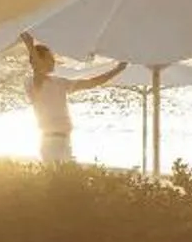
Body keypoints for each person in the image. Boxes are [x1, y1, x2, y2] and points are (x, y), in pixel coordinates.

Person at [21, 33, 124, 166]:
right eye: (49, 58)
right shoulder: (33, 83)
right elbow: (37, 69)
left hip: (64, 139)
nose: (53, 61)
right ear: (38, 60)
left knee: (66, 178)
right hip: (50, 141)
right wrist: (30, 46)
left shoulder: (60, 82)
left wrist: (118, 69)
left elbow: (92, 82)